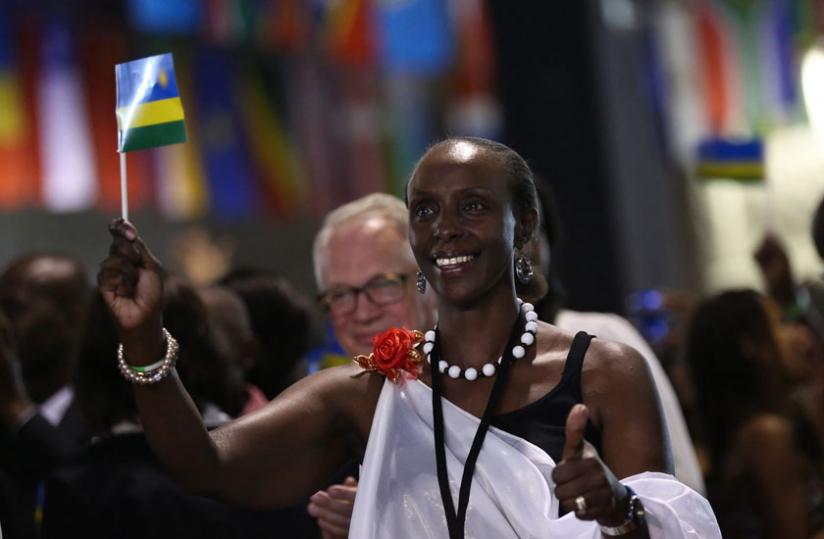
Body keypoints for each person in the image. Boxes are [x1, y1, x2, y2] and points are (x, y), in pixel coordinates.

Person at [98, 137, 719, 537]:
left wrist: (618, 509)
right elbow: (205, 466)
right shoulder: (372, 390)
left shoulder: (606, 372)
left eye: (472, 206)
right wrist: (145, 338)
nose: (445, 228)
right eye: (425, 210)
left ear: (524, 227)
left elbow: (673, 527)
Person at [525, 180, 705, 494]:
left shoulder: (603, 337)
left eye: (530, 232)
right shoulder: (448, 369)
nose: (518, 247)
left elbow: (679, 482)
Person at [685, 289, 824, 538]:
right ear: (750, 346)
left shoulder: (768, 427)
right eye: (782, 323)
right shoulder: (766, 436)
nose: (800, 333)